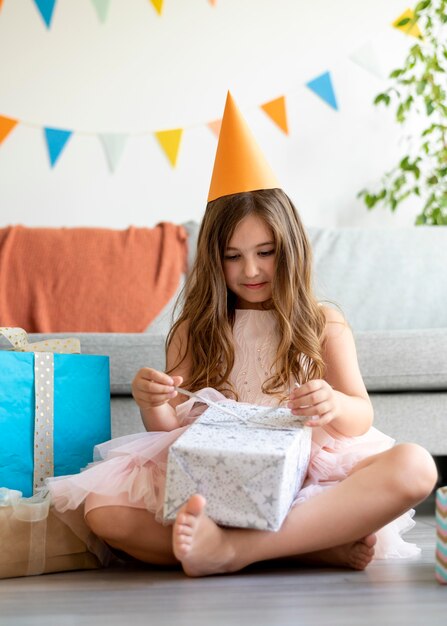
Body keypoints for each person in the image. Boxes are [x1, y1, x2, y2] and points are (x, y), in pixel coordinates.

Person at [48, 93, 438, 577]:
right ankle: (303, 548)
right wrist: (153, 402)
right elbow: (167, 429)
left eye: (265, 252)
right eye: (233, 256)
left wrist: (334, 404)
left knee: (416, 466)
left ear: (290, 249)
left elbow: (361, 414)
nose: (250, 270)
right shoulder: (198, 328)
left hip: (305, 475)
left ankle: (237, 551)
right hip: (219, 477)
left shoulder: (322, 323)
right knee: (102, 510)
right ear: (214, 259)